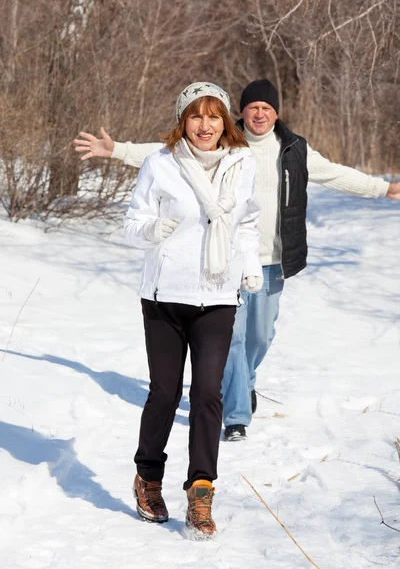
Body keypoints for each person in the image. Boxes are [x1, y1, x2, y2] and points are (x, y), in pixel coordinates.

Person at [75, 78, 400, 444]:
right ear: (241, 112)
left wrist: (382, 188)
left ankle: (243, 382)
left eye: (267, 108)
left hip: (272, 260)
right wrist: (117, 149)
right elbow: (165, 151)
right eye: (253, 107)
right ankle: (236, 415)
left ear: (276, 113)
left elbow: (337, 174)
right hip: (225, 260)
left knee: (261, 336)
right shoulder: (225, 143)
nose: (260, 114)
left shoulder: (293, 149)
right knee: (234, 339)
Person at [85, 82, 262, 537]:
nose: (206, 126)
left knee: (207, 394)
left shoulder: (243, 164)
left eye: (215, 117)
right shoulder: (160, 164)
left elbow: (247, 220)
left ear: (227, 122)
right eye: (196, 117)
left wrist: (251, 264)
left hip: (218, 296)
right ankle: (148, 479)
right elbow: (131, 223)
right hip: (165, 296)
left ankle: (201, 492)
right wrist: (152, 230)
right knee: (165, 393)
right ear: (183, 121)